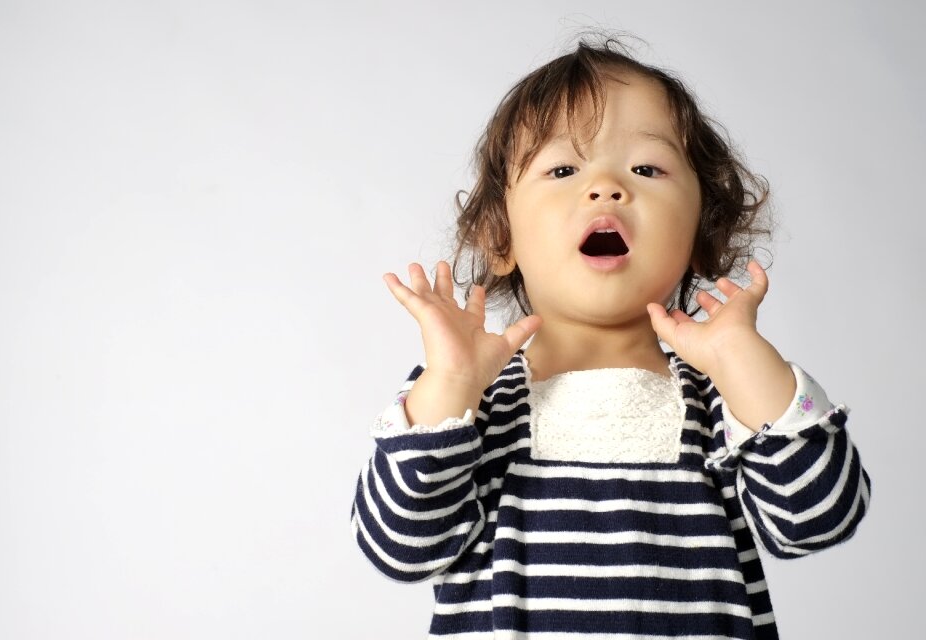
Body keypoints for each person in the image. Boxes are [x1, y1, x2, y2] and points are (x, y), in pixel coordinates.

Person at [350, 35, 871, 639]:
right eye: (563, 169)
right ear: (500, 237)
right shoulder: (468, 406)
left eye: (646, 168)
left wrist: (744, 361)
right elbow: (400, 548)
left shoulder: (723, 397)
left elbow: (819, 520)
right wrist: (450, 383)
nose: (604, 187)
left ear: (702, 234)